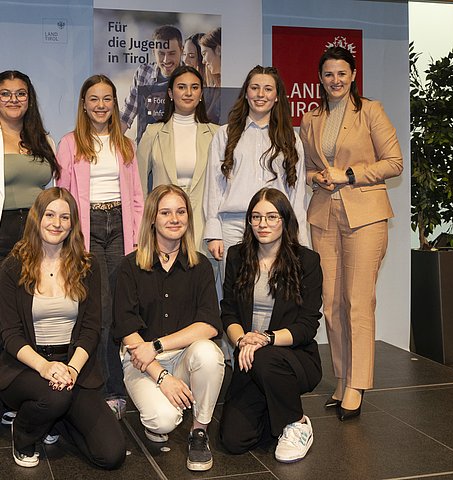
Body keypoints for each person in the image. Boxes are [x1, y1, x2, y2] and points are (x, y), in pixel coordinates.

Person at [300, 46, 403, 420]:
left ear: (354, 74)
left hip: (366, 216)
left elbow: (394, 163)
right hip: (325, 216)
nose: (335, 80)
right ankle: (342, 377)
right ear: (320, 78)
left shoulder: (371, 111)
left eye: (342, 73)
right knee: (331, 303)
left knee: (358, 303)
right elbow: (307, 169)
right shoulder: (311, 119)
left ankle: (357, 385)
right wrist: (318, 177)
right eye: (328, 74)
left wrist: (349, 175)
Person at [0, 187, 126, 469]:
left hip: (73, 367)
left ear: (72, 223)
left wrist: (71, 369)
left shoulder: (87, 266)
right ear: (37, 218)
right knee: (54, 396)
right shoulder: (12, 267)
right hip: (26, 368)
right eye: (50, 215)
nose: (57, 223)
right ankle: (23, 434)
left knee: (111, 455)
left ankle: (56, 420)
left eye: (65, 217)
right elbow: (9, 335)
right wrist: (45, 367)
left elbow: (92, 328)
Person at [113, 184, 224, 472]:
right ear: (152, 218)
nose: (174, 219)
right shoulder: (130, 267)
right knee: (162, 421)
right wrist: (161, 376)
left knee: (209, 354)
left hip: (181, 356)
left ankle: (199, 432)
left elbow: (210, 324)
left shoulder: (200, 267)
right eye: (166, 212)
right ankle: (164, 407)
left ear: (188, 218)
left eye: (180, 212)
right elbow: (126, 328)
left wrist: (159, 345)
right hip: (142, 362)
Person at [56, 74, 144, 419]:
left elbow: (136, 197)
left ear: (115, 103)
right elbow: (63, 196)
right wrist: (68, 240)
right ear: (84, 103)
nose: (101, 105)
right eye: (94, 99)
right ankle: (107, 389)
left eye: (107, 99)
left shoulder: (125, 143)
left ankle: (119, 384)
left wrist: (135, 240)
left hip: (119, 229)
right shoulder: (69, 143)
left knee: (119, 309)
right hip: (87, 231)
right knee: (100, 312)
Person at [219, 187, 322, 463]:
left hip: (293, 357)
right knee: (234, 440)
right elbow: (228, 312)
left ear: (285, 221)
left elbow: (307, 325)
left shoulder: (307, 261)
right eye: (256, 217)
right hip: (248, 357)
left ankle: (298, 423)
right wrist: (242, 341)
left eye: (271, 217)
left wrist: (265, 338)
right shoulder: (237, 256)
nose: (262, 224)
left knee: (266, 359)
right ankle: (274, 404)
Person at [204, 65, 308, 281]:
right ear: (246, 93)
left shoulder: (291, 138)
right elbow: (214, 187)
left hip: (276, 228)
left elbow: (297, 193)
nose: (261, 94)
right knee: (233, 297)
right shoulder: (225, 134)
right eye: (255, 88)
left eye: (268, 89)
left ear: (277, 96)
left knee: (273, 293)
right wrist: (214, 233)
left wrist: (299, 238)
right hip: (233, 227)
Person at [137, 65, 218, 255]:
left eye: (195, 87)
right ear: (170, 93)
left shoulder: (217, 134)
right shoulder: (153, 133)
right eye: (181, 87)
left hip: (203, 226)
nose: (188, 93)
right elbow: (138, 187)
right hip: (163, 227)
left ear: (201, 94)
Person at [0, 70, 59, 261]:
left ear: (29, 99)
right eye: (5, 94)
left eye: (21, 93)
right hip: (3, 230)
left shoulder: (45, 140)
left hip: (39, 230)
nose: (13, 99)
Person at [121, 25, 183, 141]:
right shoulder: (143, 73)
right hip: (145, 149)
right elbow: (126, 114)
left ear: (182, 50)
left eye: (172, 53)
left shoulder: (191, 77)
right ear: (153, 52)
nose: (166, 60)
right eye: (161, 53)